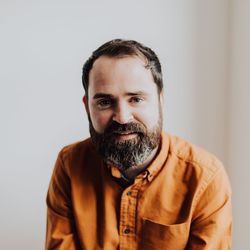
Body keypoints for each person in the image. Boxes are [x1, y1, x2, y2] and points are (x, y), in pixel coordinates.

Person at [45, 39, 232, 250]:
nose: (122, 118)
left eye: (136, 99)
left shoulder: (205, 177)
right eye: (105, 102)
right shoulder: (70, 165)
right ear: (87, 108)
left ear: (160, 101)